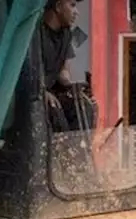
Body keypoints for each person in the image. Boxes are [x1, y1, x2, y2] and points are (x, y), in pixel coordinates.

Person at [40, 0, 95, 133]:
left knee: (84, 106)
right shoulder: (36, 33)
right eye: (72, 5)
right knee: (55, 113)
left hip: (52, 91)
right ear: (58, 6)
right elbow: (30, 73)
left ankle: (81, 150)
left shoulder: (66, 34)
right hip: (35, 92)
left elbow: (62, 73)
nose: (77, 12)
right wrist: (42, 92)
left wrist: (76, 89)